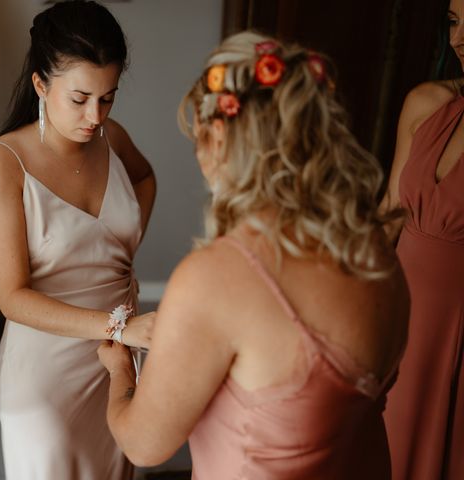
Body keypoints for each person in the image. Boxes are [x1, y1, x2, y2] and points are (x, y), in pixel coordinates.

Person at [98, 31, 410, 479]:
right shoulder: (378, 253)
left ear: (219, 134)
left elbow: (143, 445)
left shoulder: (218, 279)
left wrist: (119, 371)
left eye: (199, 138)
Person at [0, 1, 156, 478]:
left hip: (115, 359)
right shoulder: (2, 166)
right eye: (79, 99)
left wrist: (121, 256)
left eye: (108, 97)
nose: (95, 116)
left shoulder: (111, 138)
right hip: (47, 376)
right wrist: (118, 328)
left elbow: (144, 179)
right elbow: (11, 298)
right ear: (40, 84)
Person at [381, 0, 464, 477]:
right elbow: (390, 211)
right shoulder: (426, 101)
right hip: (402, 314)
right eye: (453, 21)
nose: (459, 39)